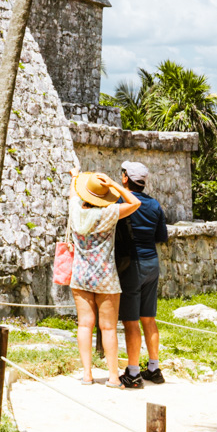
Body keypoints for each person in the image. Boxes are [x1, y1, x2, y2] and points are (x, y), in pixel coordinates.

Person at [68, 167, 142, 388]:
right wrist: (113, 184)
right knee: (108, 328)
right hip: (105, 277)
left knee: (84, 325)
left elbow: (73, 195)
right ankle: (112, 376)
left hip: (80, 275)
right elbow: (134, 203)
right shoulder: (108, 213)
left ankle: (87, 375)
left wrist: (75, 177)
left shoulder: (75, 211)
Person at [117, 159, 168, 387]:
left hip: (132, 265)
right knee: (149, 318)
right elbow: (161, 237)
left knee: (130, 321)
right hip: (152, 263)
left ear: (126, 178)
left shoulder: (122, 201)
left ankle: (133, 372)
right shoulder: (155, 205)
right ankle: (154, 369)